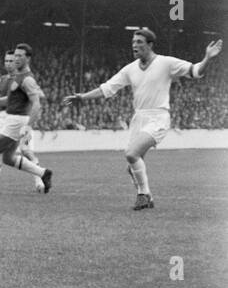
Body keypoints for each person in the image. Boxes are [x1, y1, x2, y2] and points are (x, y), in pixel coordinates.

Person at [63, 29, 221, 210]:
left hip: (158, 117)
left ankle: (143, 194)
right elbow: (107, 88)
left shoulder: (166, 63)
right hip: (139, 118)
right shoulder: (130, 69)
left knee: (131, 154)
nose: (134, 45)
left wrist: (208, 57)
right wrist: (83, 97)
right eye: (133, 42)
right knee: (132, 166)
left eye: (139, 42)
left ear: (150, 45)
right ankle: (149, 198)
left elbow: (195, 71)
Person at [0, 43, 52, 195]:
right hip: (13, 119)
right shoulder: (17, 77)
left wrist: (29, 126)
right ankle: (43, 173)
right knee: (8, 158)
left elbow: (37, 103)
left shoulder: (27, 80)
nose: (16, 59)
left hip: (17, 121)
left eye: (20, 56)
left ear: (28, 59)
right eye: (15, 56)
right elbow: (10, 101)